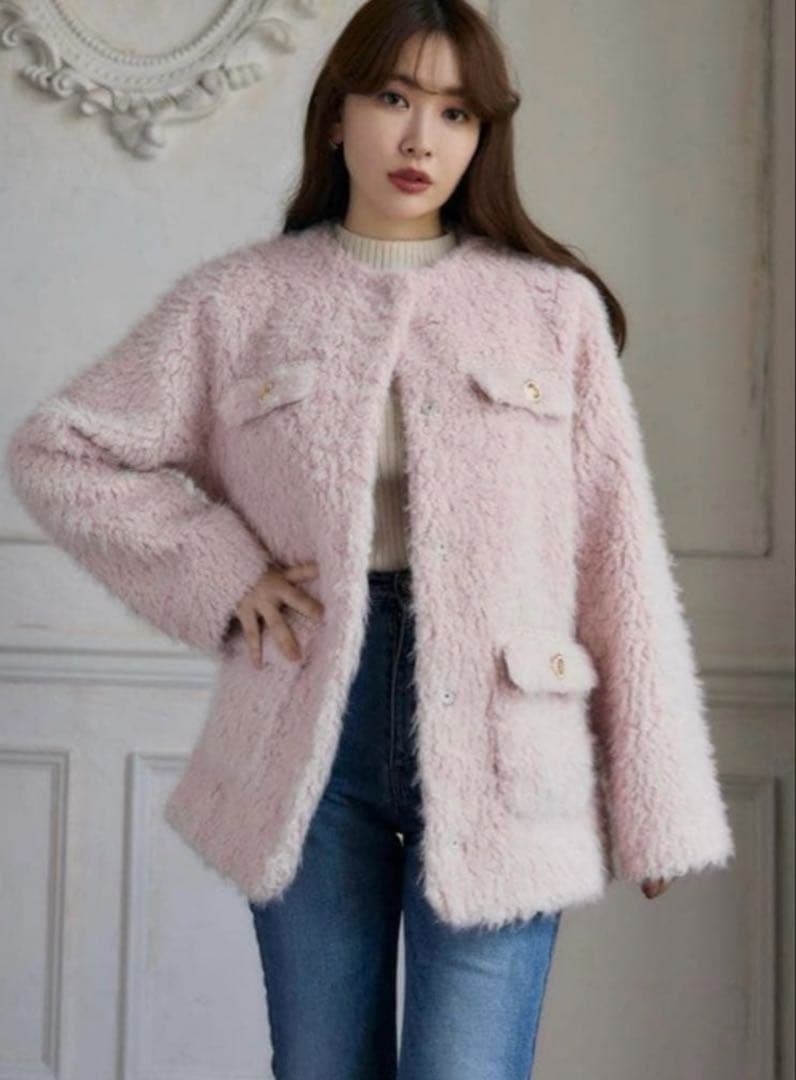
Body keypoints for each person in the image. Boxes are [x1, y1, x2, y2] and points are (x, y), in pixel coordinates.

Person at [5, 1, 735, 1077]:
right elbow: (61, 450)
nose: (420, 138)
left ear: (483, 136)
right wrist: (223, 570)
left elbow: (616, 552)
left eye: (455, 112)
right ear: (337, 114)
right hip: (310, 728)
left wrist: (655, 796)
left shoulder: (551, 310)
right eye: (394, 98)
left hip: (506, 738)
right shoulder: (241, 301)